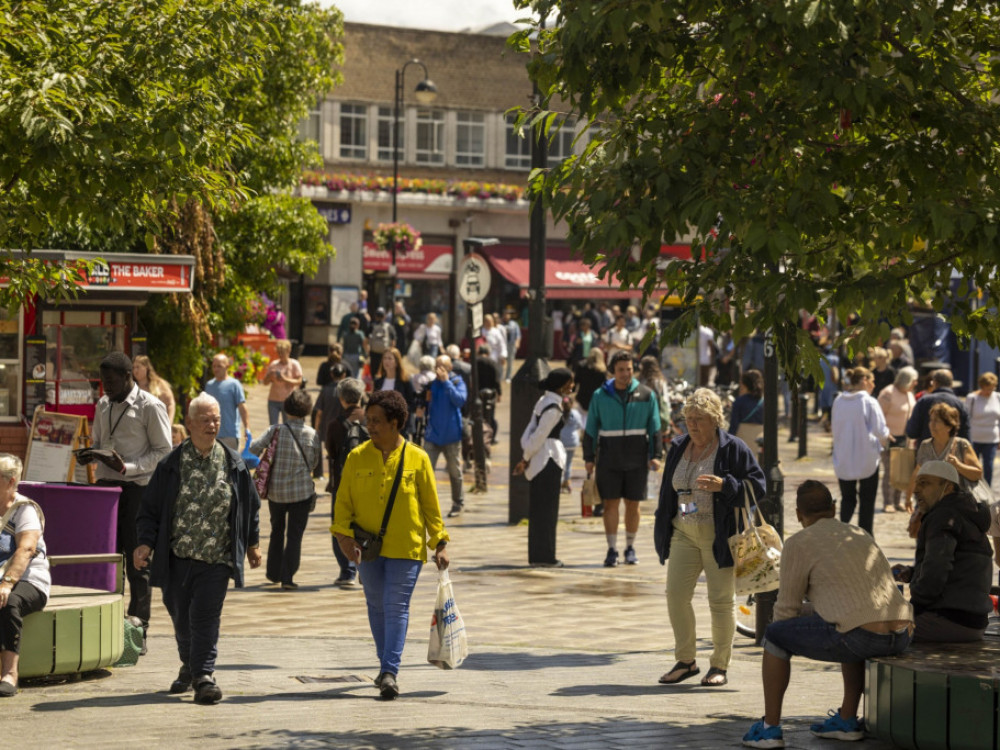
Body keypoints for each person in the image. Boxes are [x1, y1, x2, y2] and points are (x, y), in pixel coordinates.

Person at [741, 481, 913, 749]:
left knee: (775, 635)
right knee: (847, 620)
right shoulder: (859, 532)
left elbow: (787, 609)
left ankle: (769, 728)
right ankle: (846, 720)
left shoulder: (799, 543)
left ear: (798, 515)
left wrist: (781, 639)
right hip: (902, 632)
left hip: (860, 635)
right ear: (834, 508)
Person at [134, 392, 262, 705]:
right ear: (189, 423)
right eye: (205, 420)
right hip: (176, 558)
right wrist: (145, 543)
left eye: (216, 419)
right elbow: (149, 508)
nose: (212, 425)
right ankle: (189, 666)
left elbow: (251, 505)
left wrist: (253, 544)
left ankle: (204, 675)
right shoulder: (170, 465)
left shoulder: (233, 463)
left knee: (205, 617)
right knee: (180, 616)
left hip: (216, 559)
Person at [332, 389, 450, 700]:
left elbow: (430, 506)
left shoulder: (418, 458)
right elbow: (342, 503)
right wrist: (344, 538)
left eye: (376, 421)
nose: (369, 426)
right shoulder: (356, 457)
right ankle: (386, 664)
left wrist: (439, 543)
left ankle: (389, 670)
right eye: (368, 420)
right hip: (367, 548)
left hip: (406, 546)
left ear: (395, 422)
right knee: (376, 606)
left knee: (395, 606)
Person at [654, 388, 766, 688]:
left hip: (720, 535)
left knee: (720, 602)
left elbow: (758, 486)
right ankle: (686, 660)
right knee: (676, 596)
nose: (692, 424)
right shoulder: (678, 445)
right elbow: (670, 489)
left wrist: (726, 485)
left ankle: (719, 665)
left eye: (699, 419)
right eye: (688, 418)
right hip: (683, 531)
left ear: (715, 419)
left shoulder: (733, 448)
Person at [77, 351, 171, 642]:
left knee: (137, 561)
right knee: (108, 558)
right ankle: (109, 625)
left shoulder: (150, 406)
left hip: (138, 490)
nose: (107, 388)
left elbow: (164, 452)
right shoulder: (103, 404)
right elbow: (100, 442)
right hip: (107, 489)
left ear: (129, 377)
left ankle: (138, 629)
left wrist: (127, 467)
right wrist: (90, 455)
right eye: (103, 383)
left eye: (112, 382)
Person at [893, 461, 993, 642]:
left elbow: (936, 571)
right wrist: (913, 573)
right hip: (974, 622)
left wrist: (913, 609)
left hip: (948, 619)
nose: (916, 490)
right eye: (917, 483)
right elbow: (957, 564)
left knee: (869, 634)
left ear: (947, 488)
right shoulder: (964, 513)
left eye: (924, 483)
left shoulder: (944, 515)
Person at [584, 350, 663, 567]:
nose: (625, 374)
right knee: (610, 504)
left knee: (633, 505)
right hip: (609, 458)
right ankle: (612, 550)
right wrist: (588, 457)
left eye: (629, 369)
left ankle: (630, 547)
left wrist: (655, 455)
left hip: (637, 459)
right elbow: (590, 429)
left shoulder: (647, 395)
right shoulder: (599, 396)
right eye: (621, 370)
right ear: (612, 371)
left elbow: (655, 428)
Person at [249, 390, 320, 590]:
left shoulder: (275, 430)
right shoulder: (312, 434)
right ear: (307, 410)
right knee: (295, 535)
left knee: (276, 530)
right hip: (302, 493)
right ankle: (288, 577)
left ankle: (273, 572)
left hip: (276, 493)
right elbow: (314, 462)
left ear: (287, 409)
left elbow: (254, 448)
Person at [0, 454, 50, 697]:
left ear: (10, 482)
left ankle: (10, 673)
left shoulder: (25, 510)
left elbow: (27, 549)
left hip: (28, 579)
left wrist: (7, 583)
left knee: (8, 602)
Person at [514, 369, 574, 567]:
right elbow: (539, 435)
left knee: (538, 511)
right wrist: (526, 456)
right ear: (561, 385)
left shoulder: (542, 402)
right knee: (548, 512)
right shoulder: (554, 408)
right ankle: (546, 557)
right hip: (549, 460)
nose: (572, 387)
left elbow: (528, 433)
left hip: (540, 460)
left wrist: (526, 455)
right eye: (569, 383)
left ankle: (537, 556)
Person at [831, 367, 890, 536]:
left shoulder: (839, 400)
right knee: (867, 500)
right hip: (867, 456)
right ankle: (866, 535)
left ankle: (842, 531)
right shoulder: (869, 402)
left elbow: (835, 427)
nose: (873, 385)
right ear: (864, 380)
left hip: (843, 455)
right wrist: (887, 436)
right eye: (872, 381)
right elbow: (880, 430)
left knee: (847, 498)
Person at [326, 378, 367, 587]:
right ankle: (366, 569)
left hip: (342, 483)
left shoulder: (335, 424)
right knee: (366, 524)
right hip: (370, 483)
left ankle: (347, 570)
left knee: (341, 526)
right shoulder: (372, 419)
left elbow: (331, 453)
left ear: (341, 399)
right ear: (361, 396)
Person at [905, 402, 981, 512]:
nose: (931, 424)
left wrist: (958, 466)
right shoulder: (925, 445)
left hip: (958, 507)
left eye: (936, 421)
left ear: (949, 426)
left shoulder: (961, 445)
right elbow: (917, 472)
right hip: (931, 505)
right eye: (931, 420)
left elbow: (978, 473)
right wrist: (908, 498)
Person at [421, 355, 467, 518]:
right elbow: (427, 405)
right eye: (437, 366)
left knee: (455, 472)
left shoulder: (457, 382)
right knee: (425, 471)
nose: (439, 369)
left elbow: (460, 400)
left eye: (442, 366)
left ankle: (458, 503)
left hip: (452, 436)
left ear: (449, 367)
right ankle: (425, 505)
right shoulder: (432, 384)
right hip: (433, 435)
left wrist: (447, 382)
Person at [877, 366, 918, 513]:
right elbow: (878, 416)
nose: (916, 384)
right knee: (890, 472)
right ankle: (887, 502)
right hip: (890, 438)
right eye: (914, 381)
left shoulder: (909, 394)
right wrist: (884, 434)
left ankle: (897, 500)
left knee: (903, 471)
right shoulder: (888, 393)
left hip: (905, 439)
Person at [313, 362, 350, 490]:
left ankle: (332, 481)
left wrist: (316, 428)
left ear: (331, 374)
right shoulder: (346, 391)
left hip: (328, 428)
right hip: (344, 427)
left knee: (330, 454)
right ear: (344, 374)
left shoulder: (325, 390)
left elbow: (319, 412)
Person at [906, 368, 970, 442]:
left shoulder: (923, 402)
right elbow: (966, 437)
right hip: (952, 452)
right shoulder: (961, 404)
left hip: (926, 452)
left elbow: (912, 432)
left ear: (934, 383)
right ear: (951, 384)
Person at [204, 353, 250, 451]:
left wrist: (247, 428)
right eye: (214, 366)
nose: (216, 369)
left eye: (219, 366)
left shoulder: (234, 384)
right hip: (211, 433)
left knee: (229, 465)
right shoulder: (209, 385)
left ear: (227, 366)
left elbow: (242, 407)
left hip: (230, 435)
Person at [966, 372, 1000, 488]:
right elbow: (967, 418)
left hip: (991, 438)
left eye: (992, 388)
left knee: (989, 467)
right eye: (987, 389)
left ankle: (987, 491)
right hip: (974, 438)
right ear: (982, 386)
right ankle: (972, 490)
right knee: (973, 467)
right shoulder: (972, 398)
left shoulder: (998, 397)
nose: (990, 391)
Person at [373, 347, 417, 438]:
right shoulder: (378, 381)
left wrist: (398, 412)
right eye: (384, 358)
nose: (386, 361)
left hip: (399, 428)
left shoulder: (405, 381)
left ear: (397, 362)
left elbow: (412, 402)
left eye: (390, 358)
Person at [263, 339, 303, 425]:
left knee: (288, 426)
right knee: (273, 427)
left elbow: (299, 381)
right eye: (279, 352)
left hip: (288, 400)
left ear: (289, 351)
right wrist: (270, 376)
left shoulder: (294, 364)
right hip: (273, 400)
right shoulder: (274, 364)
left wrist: (285, 379)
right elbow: (265, 382)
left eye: (282, 352)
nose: (280, 355)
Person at [132, 355, 176, 423]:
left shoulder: (159, 384)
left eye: (138, 367)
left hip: (157, 424)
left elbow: (170, 403)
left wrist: (169, 423)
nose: (135, 370)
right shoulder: (132, 387)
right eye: (133, 367)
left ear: (146, 367)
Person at [728, 369, 764, 446]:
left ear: (744, 385)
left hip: (743, 443)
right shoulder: (765, 402)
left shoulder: (739, 401)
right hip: (760, 442)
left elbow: (733, 427)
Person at [475, 344, 503, 441]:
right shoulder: (492, 363)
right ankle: (491, 436)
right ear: (488, 352)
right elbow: (496, 380)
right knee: (490, 415)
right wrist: (499, 393)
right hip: (490, 394)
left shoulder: (475, 362)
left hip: (477, 393)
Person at [559, 397, 585, 495]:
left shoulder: (559, 414)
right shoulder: (576, 414)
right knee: (568, 463)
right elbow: (580, 425)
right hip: (572, 441)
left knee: (561, 462)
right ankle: (567, 481)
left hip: (562, 440)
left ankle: (560, 481)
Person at [574, 347, 608, 418]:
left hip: (582, 399)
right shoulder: (602, 370)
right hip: (596, 401)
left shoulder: (581, 366)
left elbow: (575, 381)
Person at [367, 307, 396, 377]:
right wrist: (390, 352)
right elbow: (393, 341)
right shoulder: (389, 327)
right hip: (385, 353)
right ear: (384, 316)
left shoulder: (372, 326)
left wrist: (368, 351)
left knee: (374, 373)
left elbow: (365, 341)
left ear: (376, 316)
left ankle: (375, 386)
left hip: (373, 353)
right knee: (385, 372)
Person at [502, 309, 522, 381]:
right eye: (505, 314)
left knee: (510, 361)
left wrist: (517, 343)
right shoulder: (500, 324)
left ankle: (508, 377)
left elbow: (518, 335)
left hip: (511, 344)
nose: (506, 316)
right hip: (503, 345)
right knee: (502, 361)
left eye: (508, 314)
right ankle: (501, 376)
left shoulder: (514, 324)